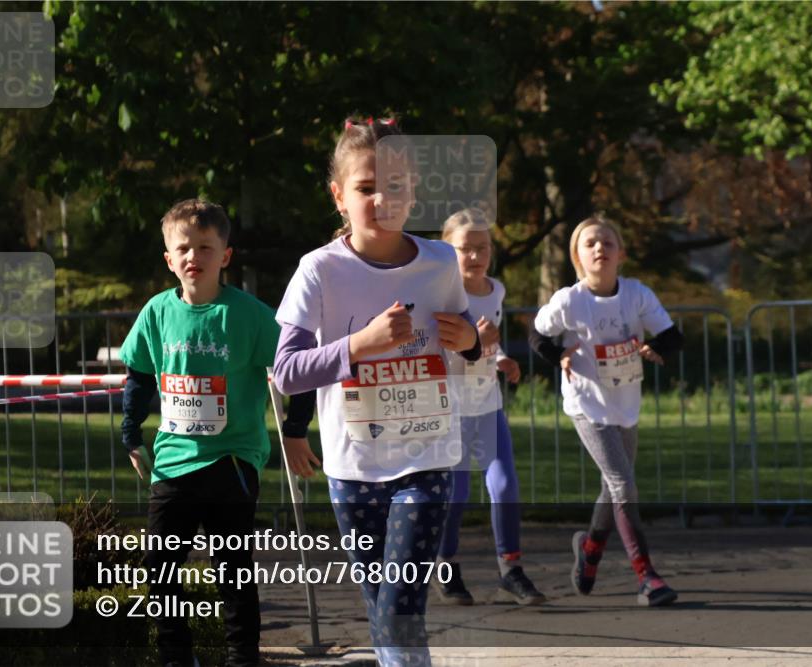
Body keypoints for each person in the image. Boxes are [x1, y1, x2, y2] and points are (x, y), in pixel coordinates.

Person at [272, 116, 481, 666]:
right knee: (383, 608)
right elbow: (287, 371)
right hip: (354, 465)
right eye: (366, 188)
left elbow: (462, 337)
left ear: (414, 193)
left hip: (427, 457)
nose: (382, 199)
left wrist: (472, 341)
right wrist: (359, 344)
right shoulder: (318, 270)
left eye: (395, 187)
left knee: (399, 610)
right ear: (339, 196)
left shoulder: (441, 262)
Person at [119, 198, 314, 667]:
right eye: (183, 248)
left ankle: (242, 656)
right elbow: (140, 375)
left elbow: (298, 369)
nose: (194, 257)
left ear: (225, 255)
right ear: (169, 259)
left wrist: (294, 429)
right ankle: (175, 656)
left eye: (206, 247)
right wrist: (131, 433)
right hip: (173, 461)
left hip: (233, 461)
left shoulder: (249, 315)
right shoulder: (156, 312)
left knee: (233, 569)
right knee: (160, 568)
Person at [532, 213, 683, 607]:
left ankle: (590, 549)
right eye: (590, 243)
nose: (600, 248)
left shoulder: (637, 295)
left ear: (621, 254)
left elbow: (671, 335)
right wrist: (558, 355)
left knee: (612, 486)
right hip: (586, 404)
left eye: (608, 242)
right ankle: (646, 575)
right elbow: (536, 334)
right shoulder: (570, 299)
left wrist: (657, 350)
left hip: (625, 404)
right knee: (622, 485)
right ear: (577, 258)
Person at [432, 208, 545, 606]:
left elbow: (488, 346)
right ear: (448, 251)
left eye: (483, 248)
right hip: (450, 408)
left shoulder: (495, 290)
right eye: (465, 249)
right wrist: (474, 342)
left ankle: (510, 570)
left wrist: (500, 360)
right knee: (456, 492)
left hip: (487, 404)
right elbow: (440, 356)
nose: (476, 256)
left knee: (504, 484)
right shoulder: (441, 294)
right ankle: (446, 567)